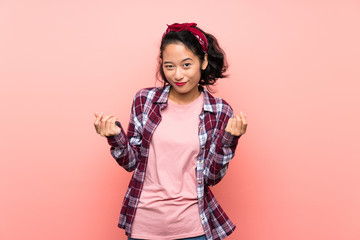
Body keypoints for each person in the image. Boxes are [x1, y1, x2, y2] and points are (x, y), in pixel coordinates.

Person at [93, 22, 247, 240]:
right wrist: (114, 136)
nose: (178, 75)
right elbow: (132, 163)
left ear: (203, 61)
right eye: (169, 66)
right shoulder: (144, 100)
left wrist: (229, 140)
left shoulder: (219, 110)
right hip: (145, 225)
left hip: (194, 227)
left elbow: (211, 177)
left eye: (186, 65)